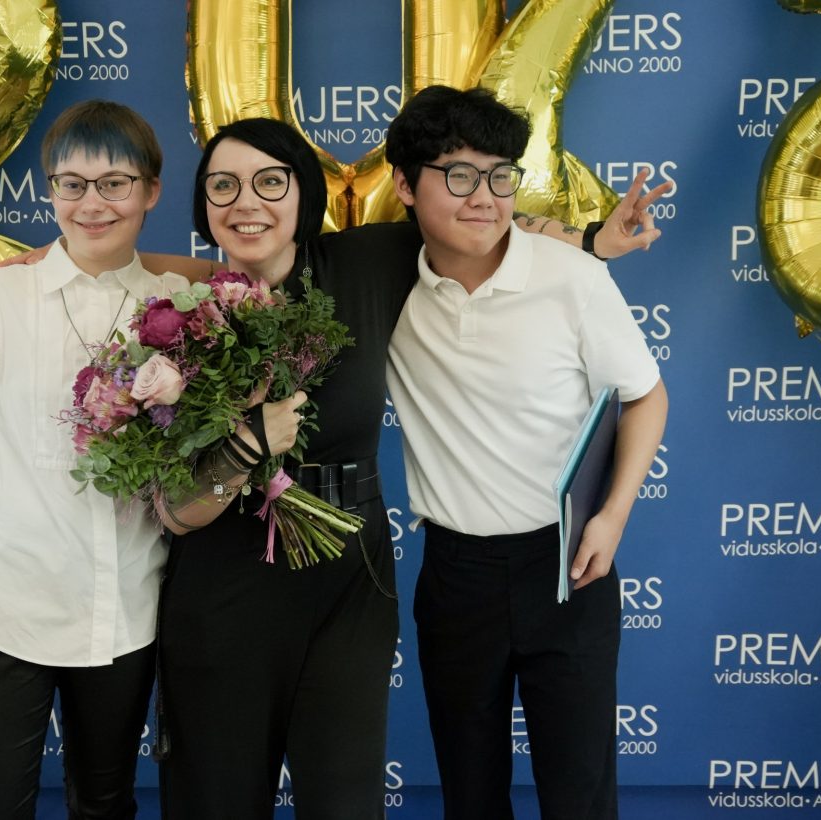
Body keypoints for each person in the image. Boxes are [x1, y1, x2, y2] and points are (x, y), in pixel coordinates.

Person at [147, 114, 666, 818]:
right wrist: (85, 258)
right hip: (230, 578)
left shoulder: (371, 261)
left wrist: (594, 240)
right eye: (224, 186)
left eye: (271, 182)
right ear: (202, 200)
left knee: (354, 800)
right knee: (219, 796)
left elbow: (483, 221)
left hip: (355, 581)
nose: (247, 203)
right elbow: (201, 274)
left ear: (303, 194)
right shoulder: (182, 316)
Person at [0, 99, 189, 819]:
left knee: (107, 804)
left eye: (115, 183)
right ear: (49, 189)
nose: (92, 204)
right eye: (72, 184)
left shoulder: (178, 306)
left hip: (125, 609)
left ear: (152, 190)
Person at [383, 85, 669, 820]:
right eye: (458, 175)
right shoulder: (381, 280)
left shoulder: (572, 277)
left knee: (580, 796)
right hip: (455, 575)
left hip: (568, 565)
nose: (484, 196)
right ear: (405, 186)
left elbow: (645, 396)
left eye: (499, 175)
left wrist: (612, 518)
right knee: (470, 796)